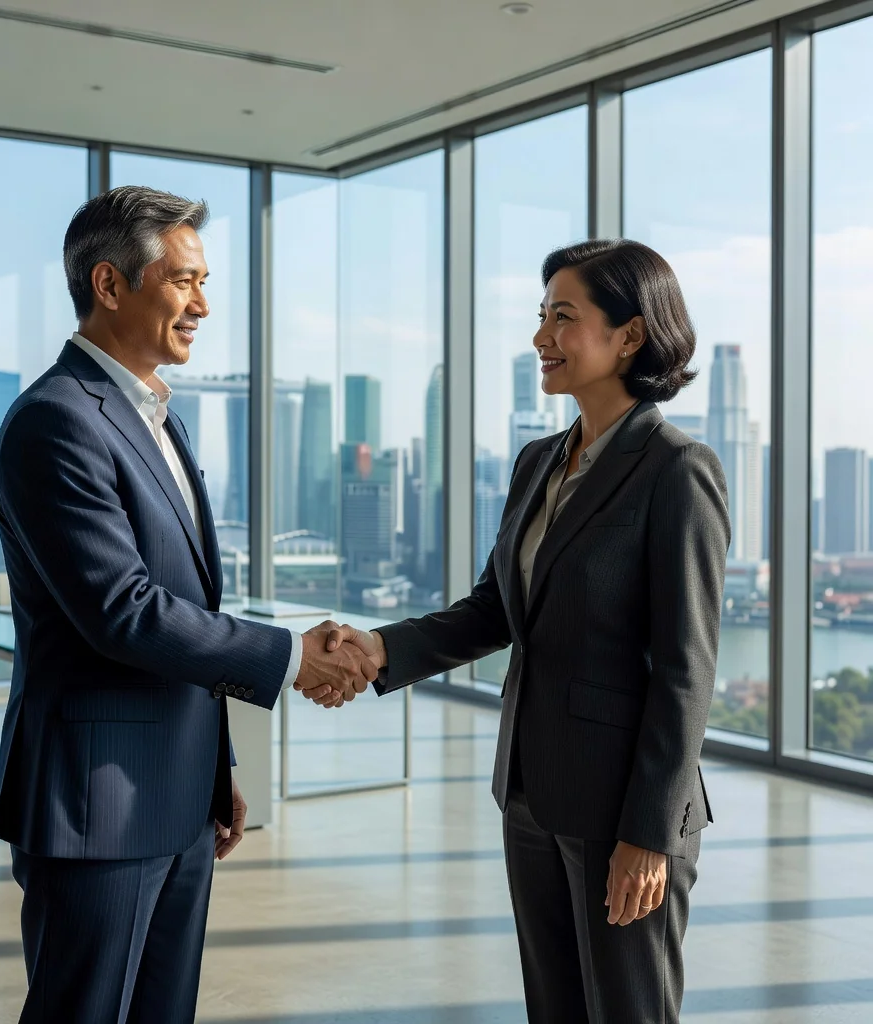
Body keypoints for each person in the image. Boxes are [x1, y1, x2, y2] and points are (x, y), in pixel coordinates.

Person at [308, 239, 731, 1023]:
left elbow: (687, 670)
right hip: (531, 793)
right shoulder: (539, 462)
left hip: (624, 810)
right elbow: (493, 612)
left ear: (630, 336)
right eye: (541, 316)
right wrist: (377, 649)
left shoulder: (678, 469)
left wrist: (648, 834)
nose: (542, 337)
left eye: (563, 318)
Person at [0, 185, 374, 1024]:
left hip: (175, 795)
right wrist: (291, 654)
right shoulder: (56, 421)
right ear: (109, 284)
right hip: (99, 807)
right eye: (185, 280)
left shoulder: (162, 420)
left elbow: (183, 599)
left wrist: (214, 772)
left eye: (205, 281)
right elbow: (122, 610)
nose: (203, 303)